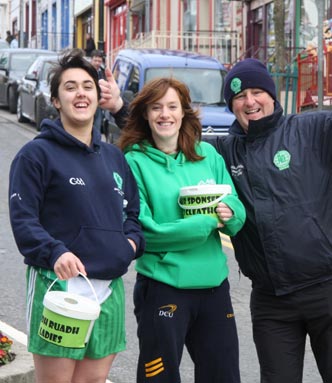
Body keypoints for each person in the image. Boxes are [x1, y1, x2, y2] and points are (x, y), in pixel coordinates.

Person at [98, 55, 332, 383]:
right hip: (271, 299)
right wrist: (120, 108)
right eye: (239, 96)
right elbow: (169, 132)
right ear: (231, 105)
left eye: (257, 92)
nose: (249, 102)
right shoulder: (224, 151)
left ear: (272, 95)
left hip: (328, 288)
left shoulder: (314, 130)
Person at [8, 48, 145, 383]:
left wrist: (129, 245)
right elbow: (23, 219)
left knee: (93, 381)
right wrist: (55, 251)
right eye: (70, 87)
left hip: (109, 291)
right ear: (56, 100)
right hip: (59, 290)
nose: (80, 93)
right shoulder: (36, 155)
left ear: (99, 98)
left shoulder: (114, 157)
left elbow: (133, 215)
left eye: (88, 86)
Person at [116, 77, 246, 383]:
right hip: (163, 288)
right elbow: (147, 232)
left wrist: (230, 213)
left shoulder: (208, 156)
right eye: (156, 107)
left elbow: (237, 210)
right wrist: (206, 222)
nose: (165, 114)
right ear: (145, 114)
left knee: (223, 376)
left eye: (172, 106)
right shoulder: (133, 163)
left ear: (184, 112)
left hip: (214, 289)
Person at [90, 50, 106, 134]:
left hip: (99, 104)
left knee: (97, 128)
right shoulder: (86, 71)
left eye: (99, 61)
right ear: (91, 60)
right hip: (88, 103)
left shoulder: (103, 72)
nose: (97, 63)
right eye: (95, 60)